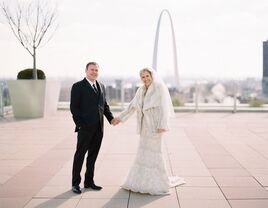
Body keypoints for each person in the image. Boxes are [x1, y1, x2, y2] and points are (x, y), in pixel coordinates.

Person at [116, 67, 185, 195]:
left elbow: (164, 108)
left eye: (147, 76)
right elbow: (132, 106)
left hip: (155, 127)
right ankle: (140, 181)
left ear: (152, 76)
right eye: (143, 77)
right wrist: (119, 118)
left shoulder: (159, 87)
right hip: (144, 127)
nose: (145, 79)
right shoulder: (140, 90)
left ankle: (158, 183)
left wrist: (162, 124)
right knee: (142, 153)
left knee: (155, 153)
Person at [70, 62, 118, 194]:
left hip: (99, 129)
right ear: (86, 71)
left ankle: (89, 182)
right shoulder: (78, 86)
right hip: (85, 129)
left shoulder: (101, 86)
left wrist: (111, 119)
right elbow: (74, 108)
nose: (94, 72)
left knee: (92, 156)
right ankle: (75, 184)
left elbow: (104, 106)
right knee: (79, 156)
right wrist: (80, 125)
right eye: (92, 70)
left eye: (96, 70)